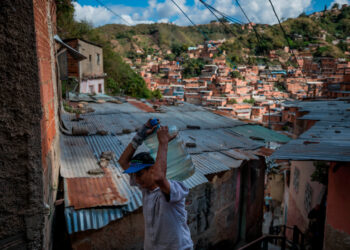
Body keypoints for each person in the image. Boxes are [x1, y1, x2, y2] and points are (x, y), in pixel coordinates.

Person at [118, 119, 193, 250]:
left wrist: (163, 143)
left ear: (152, 168)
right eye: (134, 174)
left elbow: (159, 178)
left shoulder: (173, 188)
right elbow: (123, 161)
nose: (136, 179)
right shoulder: (146, 188)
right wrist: (140, 134)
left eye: (139, 174)